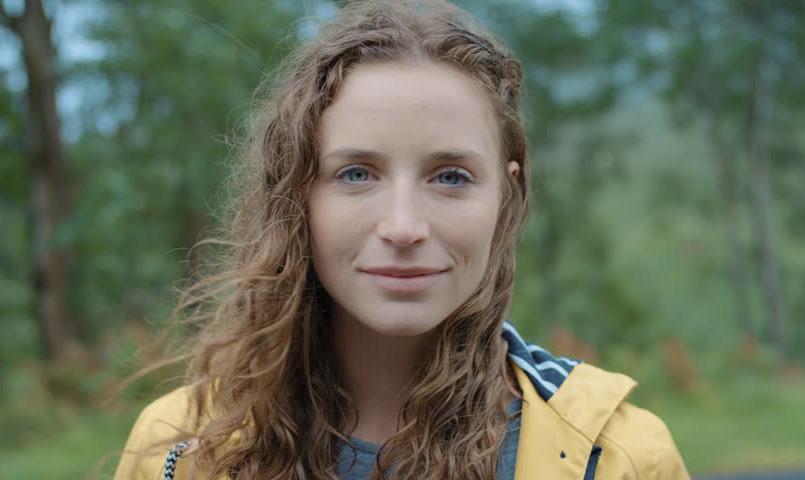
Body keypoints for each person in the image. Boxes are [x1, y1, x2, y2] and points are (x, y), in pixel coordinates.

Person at [114, 1, 690, 479]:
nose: (404, 227)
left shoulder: (619, 458)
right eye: (357, 174)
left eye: (450, 177)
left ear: (505, 197)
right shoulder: (181, 448)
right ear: (297, 197)